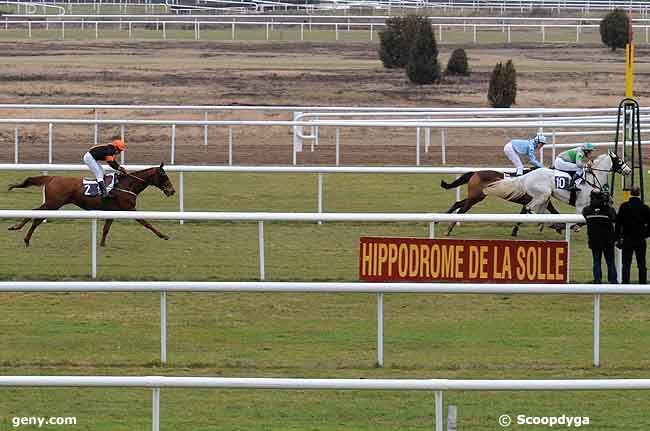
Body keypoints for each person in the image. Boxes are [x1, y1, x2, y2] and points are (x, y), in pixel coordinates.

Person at [615, 186, 650, 284]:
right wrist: (645, 234)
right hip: (640, 239)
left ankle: (625, 282)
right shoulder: (644, 207)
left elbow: (618, 224)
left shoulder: (624, 206)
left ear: (630, 193)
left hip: (627, 238)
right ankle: (642, 282)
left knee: (626, 263)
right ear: (639, 193)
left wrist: (618, 237)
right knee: (641, 263)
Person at [582, 190, 617, 284]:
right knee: (610, 262)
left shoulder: (586, 210)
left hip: (594, 240)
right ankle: (613, 281)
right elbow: (614, 217)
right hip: (608, 240)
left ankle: (597, 280)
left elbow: (585, 213)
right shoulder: (609, 210)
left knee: (596, 261)